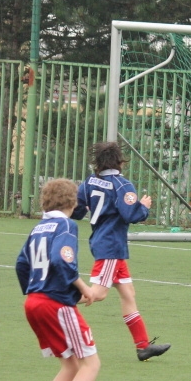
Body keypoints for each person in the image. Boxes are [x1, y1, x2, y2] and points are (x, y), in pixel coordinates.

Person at [18, 178, 106, 381]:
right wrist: (83, 289)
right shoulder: (66, 225)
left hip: (34, 302)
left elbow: (22, 263)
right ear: (73, 202)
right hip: (54, 304)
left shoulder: (38, 227)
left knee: (69, 365)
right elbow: (61, 259)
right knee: (90, 364)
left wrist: (36, 288)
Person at [72, 142, 170, 361]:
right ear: (119, 161)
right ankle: (55, 302)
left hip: (103, 242)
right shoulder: (122, 185)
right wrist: (143, 206)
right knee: (98, 294)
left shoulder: (89, 181)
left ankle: (143, 346)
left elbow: (77, 210)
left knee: (128, 294)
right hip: (111, 246)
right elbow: (131, 215)